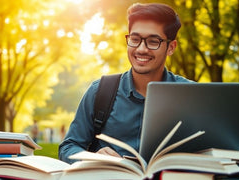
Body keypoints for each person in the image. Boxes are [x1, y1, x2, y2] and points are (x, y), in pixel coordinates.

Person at [59, 3, 192, 164]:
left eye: (153, 41)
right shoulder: (100, 91)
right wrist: (92, 158)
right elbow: (68, 147)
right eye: (135, 39)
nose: (141, 49)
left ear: (171, 47)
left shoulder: (191, 96)